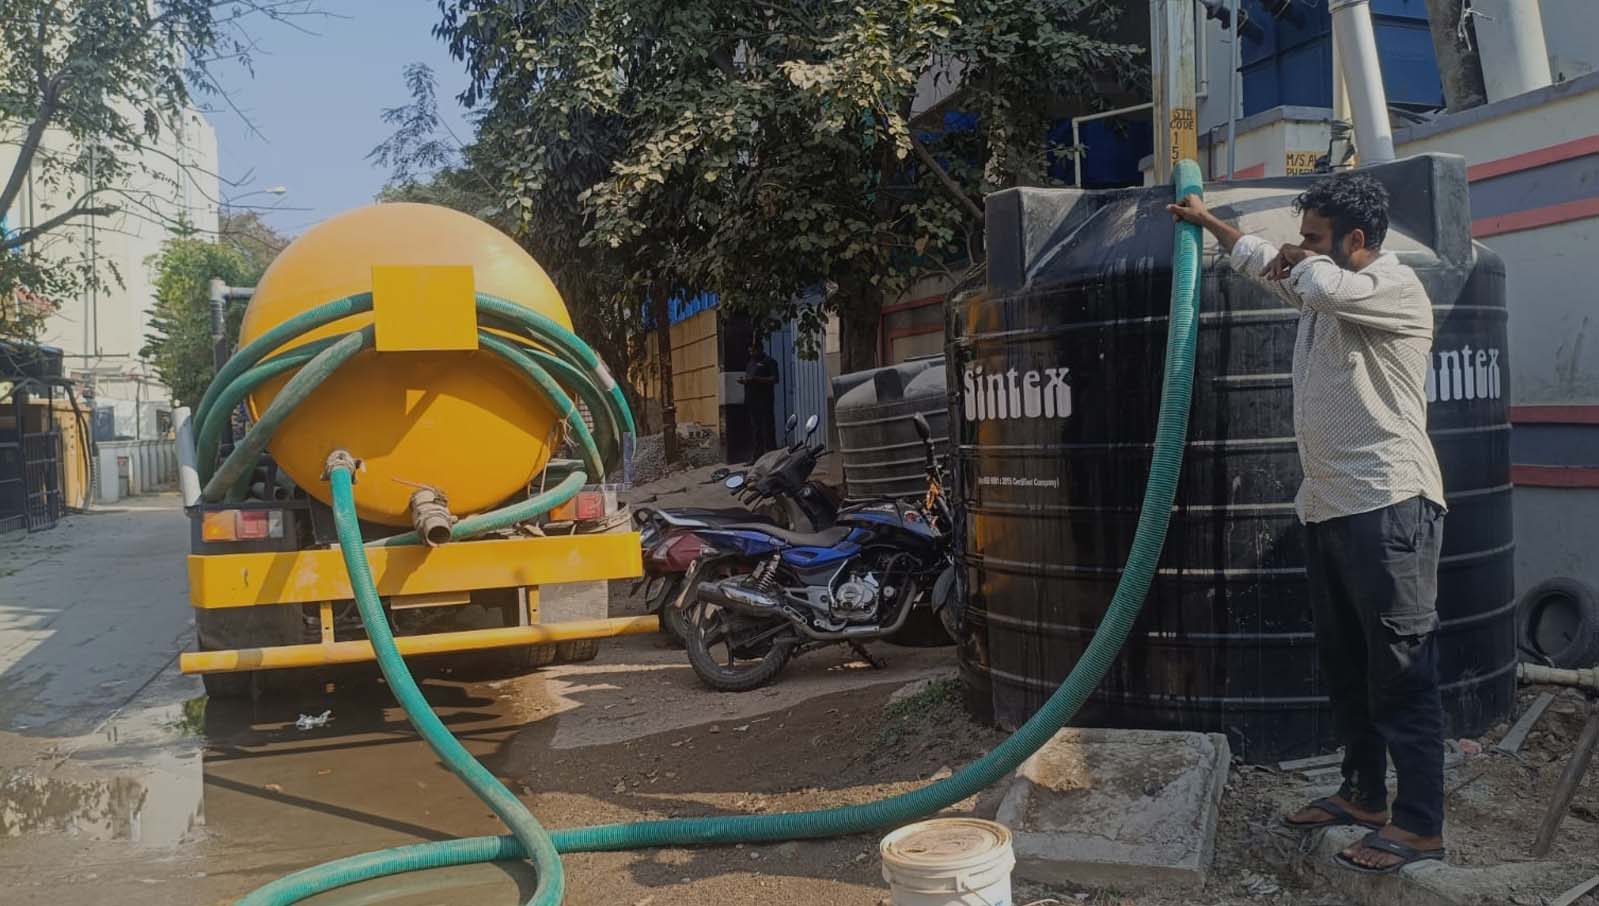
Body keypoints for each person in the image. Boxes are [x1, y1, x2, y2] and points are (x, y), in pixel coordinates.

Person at [1169, 173, 1448, 874]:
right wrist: (1211, 224)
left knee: (1400, 672)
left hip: (1388, 505)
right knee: (1346, 666)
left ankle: (1420, 824)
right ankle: (1363, 795)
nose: (1300, 249)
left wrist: (1301, 260)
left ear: (1355, 240)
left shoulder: (1391, 287)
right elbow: (1270, 264)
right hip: (1328, 506)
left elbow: (1315, 281)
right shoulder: (1328, 283)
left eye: (1315, 238)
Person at [739, 338, 779, 462]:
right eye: (750, 352)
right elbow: (749, 378)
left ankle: (771, 456)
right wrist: (745, 381)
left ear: (760, 349)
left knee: (767, 428)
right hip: (752, 400)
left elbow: (775, 379)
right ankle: (757, 456)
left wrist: (757, 379)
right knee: (756, 429)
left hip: (765, 400)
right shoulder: (750, 363)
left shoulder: (770, 362)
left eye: (753, 351)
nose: (751, 354)